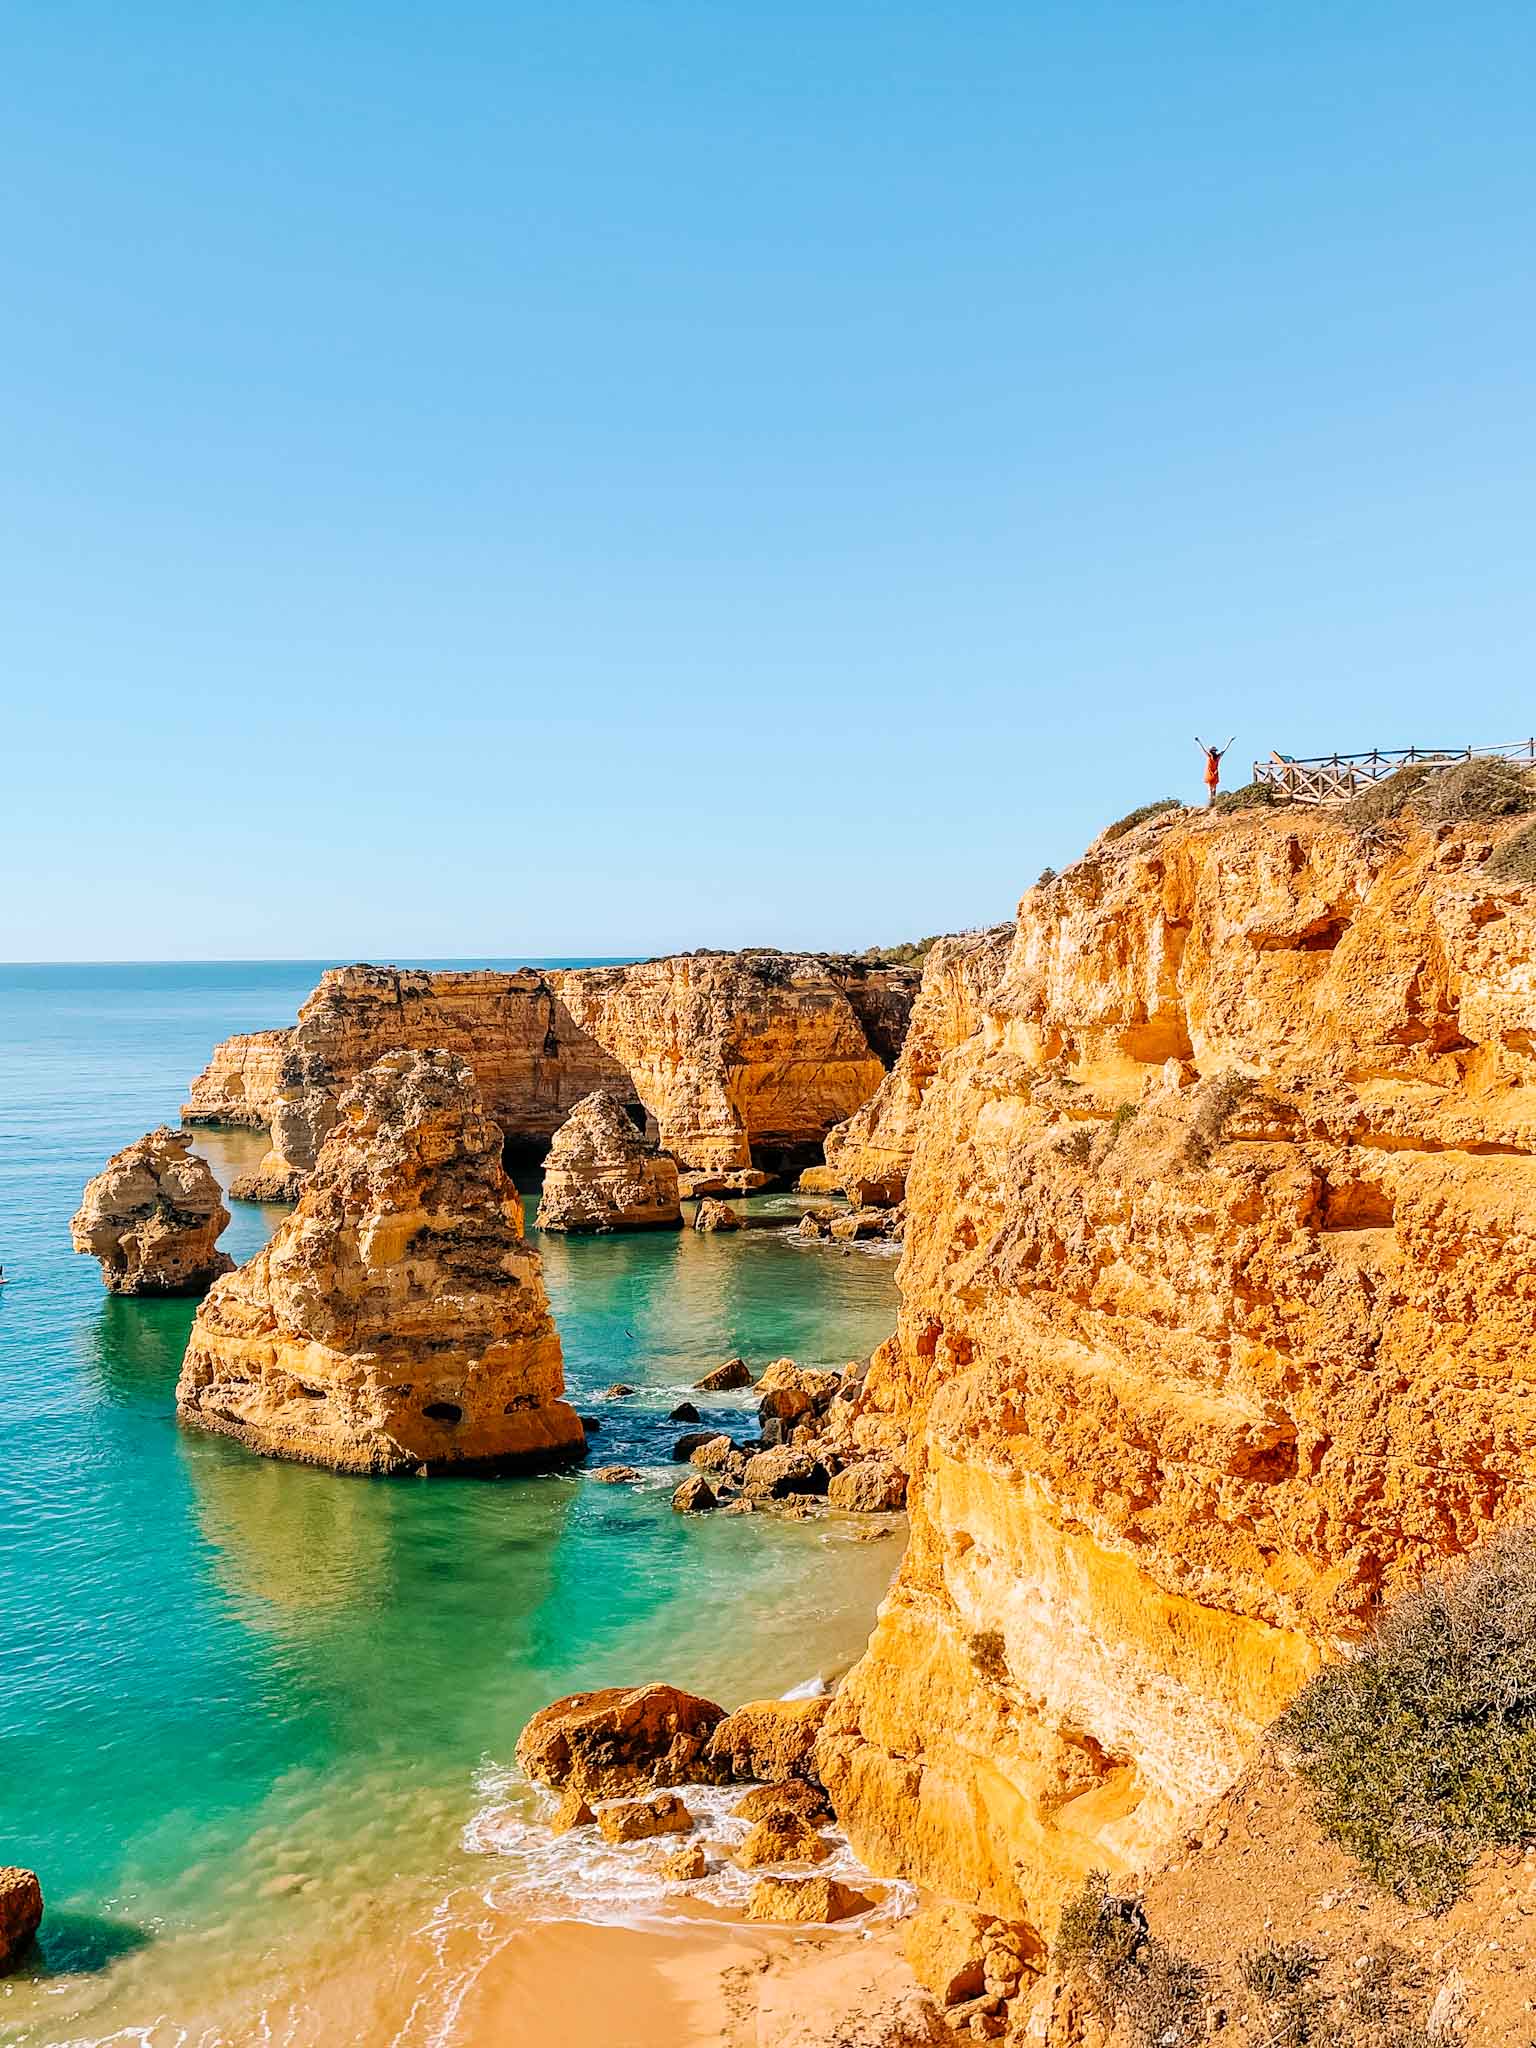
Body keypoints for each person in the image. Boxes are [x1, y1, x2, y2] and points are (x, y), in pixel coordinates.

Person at [1196, 735, 1235, 805]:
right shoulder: (1217, 757)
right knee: (1214, 789)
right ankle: (1212, 801)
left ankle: (1211, 802)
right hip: (1215, 774)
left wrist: (1199, 742)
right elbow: (1224, 750)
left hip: (1209, 774)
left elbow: (1203, 749)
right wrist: (1230, 741)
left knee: (1210, 789)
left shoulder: (1210, 756)